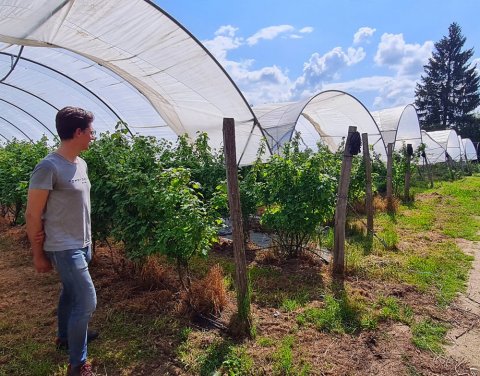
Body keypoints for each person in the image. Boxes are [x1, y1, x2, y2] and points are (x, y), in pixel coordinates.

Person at [26, 106, 97, 376]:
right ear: (78, 132)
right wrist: (38, 253)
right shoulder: (48, 167)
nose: (93, 136)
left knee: (70, 292)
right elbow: (33, 213)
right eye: (91, 132)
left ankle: (64, 337)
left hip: (82, 243)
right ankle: (78, 365)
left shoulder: (81, 164)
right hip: (63, 247)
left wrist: (88, 241)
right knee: (87, 301)